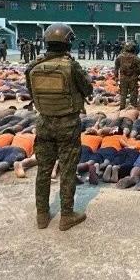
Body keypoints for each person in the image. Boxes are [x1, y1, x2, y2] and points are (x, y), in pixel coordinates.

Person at [26, 23, 93, 231]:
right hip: (67, 124)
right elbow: (87, 89)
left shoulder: (33, 66)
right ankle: (66, 215)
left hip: (44, 123)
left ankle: (42, 215)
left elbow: (31, 92)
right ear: (69, 42)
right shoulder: (71, 66)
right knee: (67, 170)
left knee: (43, 170)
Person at [115, 42, 140, 109]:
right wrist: (136, 74)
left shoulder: (119, 57)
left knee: (123, 93)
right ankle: (133, 106)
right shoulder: (136, 58)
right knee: (133, 92)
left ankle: (122, 106)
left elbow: (116, 68)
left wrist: (116, 76)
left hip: (123, 78)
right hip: (133, 78)